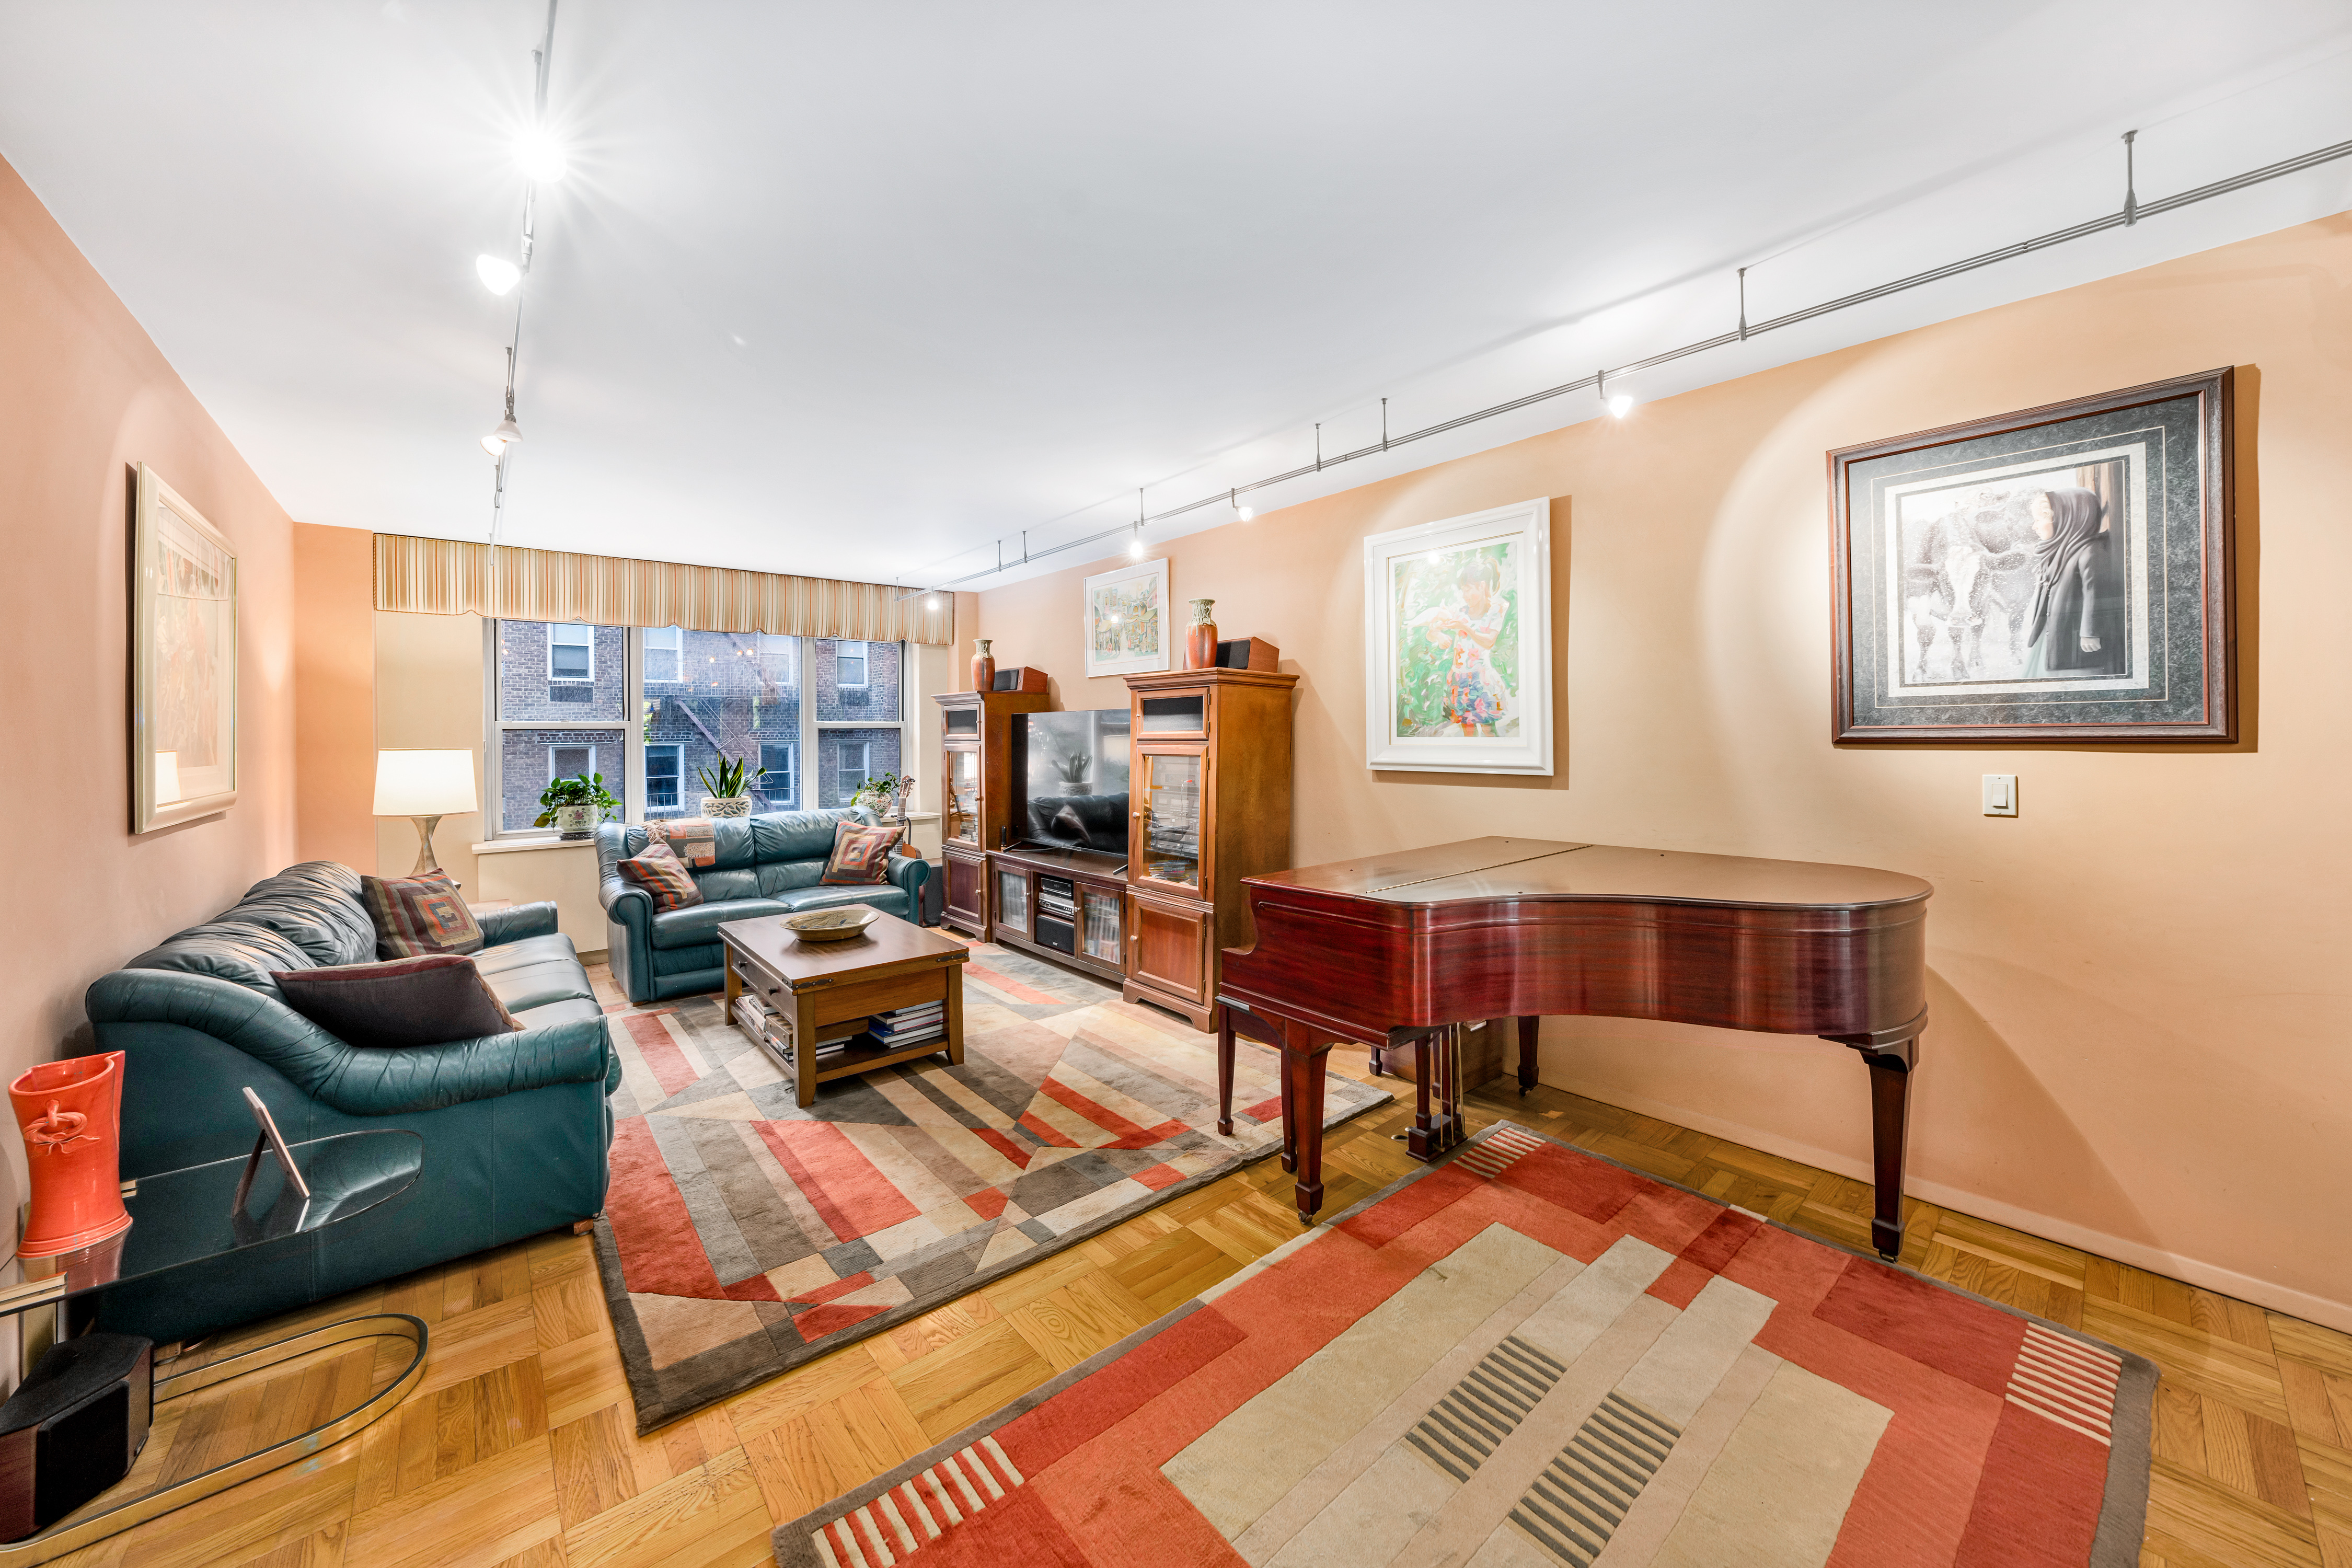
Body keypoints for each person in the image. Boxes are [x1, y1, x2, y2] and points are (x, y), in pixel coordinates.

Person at [2022, 486, 2123, 678]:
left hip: (2072, 637)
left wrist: (2090, 632)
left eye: (2039, 519)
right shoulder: (2062, 551)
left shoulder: (2090, 551)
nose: (2034, 527)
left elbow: (2095, 592)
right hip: (2053, 631)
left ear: (2066, 518)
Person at [1414, 554, 1511, 735]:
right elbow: (1431, 631)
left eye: (1468, 590)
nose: (1464, 595)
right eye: (1463, 591)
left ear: (1482, 586)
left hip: (1482, 680)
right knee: (1468, 732)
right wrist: (1439, 636)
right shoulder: (1459, 611)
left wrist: (1465, 627)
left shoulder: (1496, 609)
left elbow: (1489, 641)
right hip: (1459, 680)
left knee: (1489, 731)